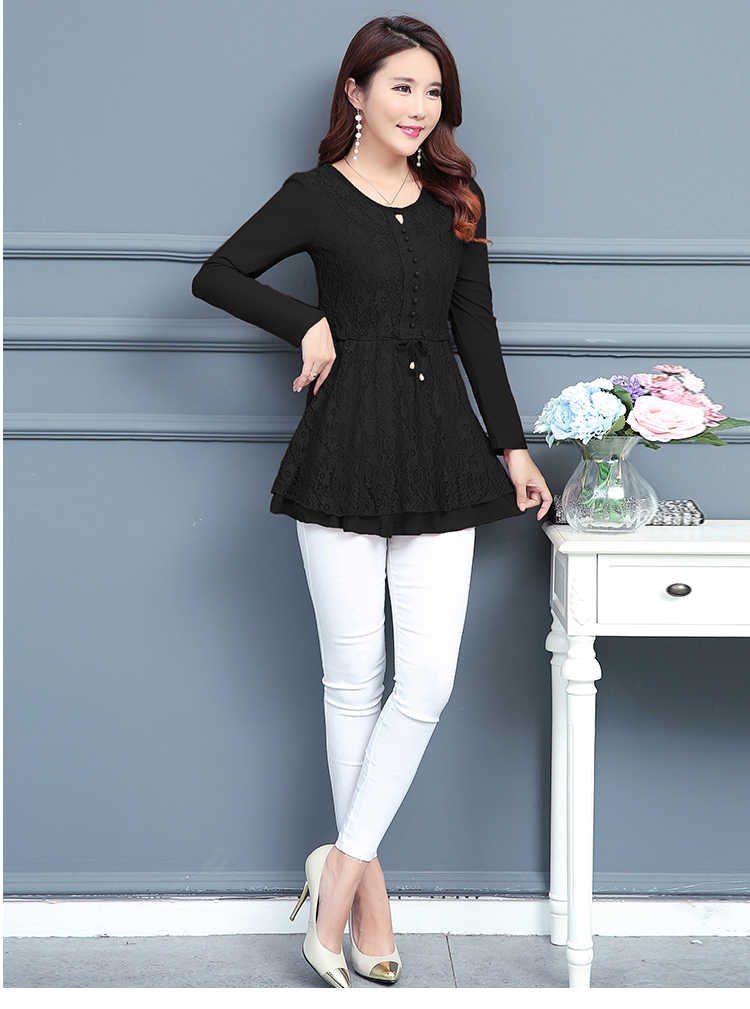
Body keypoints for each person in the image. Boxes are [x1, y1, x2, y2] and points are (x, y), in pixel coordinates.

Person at [192, 13, 552, 989]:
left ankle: (340, 870)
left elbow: (477, 330)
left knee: (423, 680)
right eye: (401, 86)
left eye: (434, 92)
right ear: (355, 93)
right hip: (343, 449)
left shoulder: (457, 199)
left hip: (442, 453)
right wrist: (304, 321)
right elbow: (216, 275)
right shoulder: (314, 196)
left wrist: (513, 445)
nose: (419, 107)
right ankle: (374, 901)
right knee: (352, 683)